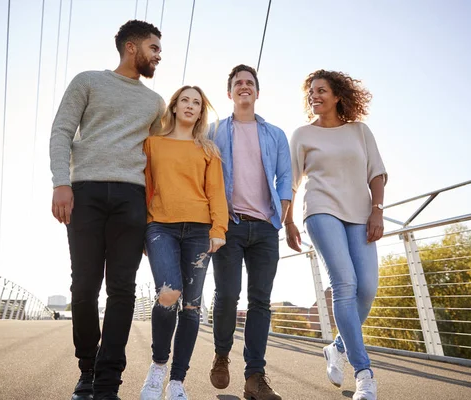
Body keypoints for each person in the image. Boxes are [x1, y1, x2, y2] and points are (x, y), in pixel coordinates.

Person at [49, 20, 165, 400]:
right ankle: (88, 367)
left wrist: (155, 217)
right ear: (131, 48)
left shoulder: (155, 102)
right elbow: (61, 131)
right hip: (85, 192)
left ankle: (108, 381)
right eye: (153, 48)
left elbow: (160, 159)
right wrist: (60, 183)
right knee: (83, 287)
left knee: (122, 289)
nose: (158, 56)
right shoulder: (87, 81)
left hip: (132, 198)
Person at [285, 69, 387, 400]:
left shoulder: (360, 131)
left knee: (368, 287)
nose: (314, 95)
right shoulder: (301, 134)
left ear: (338, 96)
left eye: (321, 90)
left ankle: (337, 348)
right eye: (311, 91)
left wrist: (377, 210)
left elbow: (377, 174)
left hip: (360, 214)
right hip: (320, 209)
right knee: (345, 284)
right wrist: (288, 221)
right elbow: (291, 181)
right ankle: (364, 373)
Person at [208, 64, 292, 400]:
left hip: (265, 228)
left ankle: (255, 376)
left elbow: (285, 176)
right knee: (227, 296)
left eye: (250, 83)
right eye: (238, 83)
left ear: (257, 92)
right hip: (230, 225)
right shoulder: (214, 132)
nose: (244, 87)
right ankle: (221, 354)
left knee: (261, 302)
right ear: (230, 93)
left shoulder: (275, 134)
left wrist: (283, 211)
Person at [139, 86, 228, 400]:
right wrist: (139, 229)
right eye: (185, 101)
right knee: (169, 292)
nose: (190, 106)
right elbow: (144, 187)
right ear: (174, 107)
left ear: (201, 111)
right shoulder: (152, 144)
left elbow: (216, 192)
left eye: (197, 103)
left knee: (191, 306)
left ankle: (177, 381)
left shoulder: (208, 150)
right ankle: (158, 366)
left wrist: (219, 228)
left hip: (199, 231)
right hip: (160, 225)